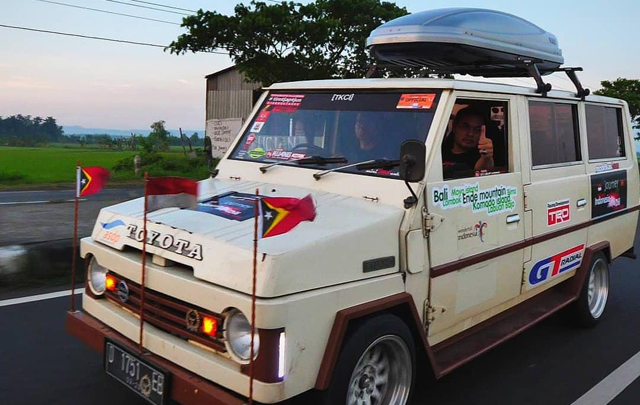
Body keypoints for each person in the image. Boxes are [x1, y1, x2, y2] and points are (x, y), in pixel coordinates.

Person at [442, 107, 494, 174]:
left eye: (477, 129)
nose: (470, 134)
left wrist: (486, 157)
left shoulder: (478, 156)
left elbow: (482, 170)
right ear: (454, 127)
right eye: (465, 127)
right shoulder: (439, 151)